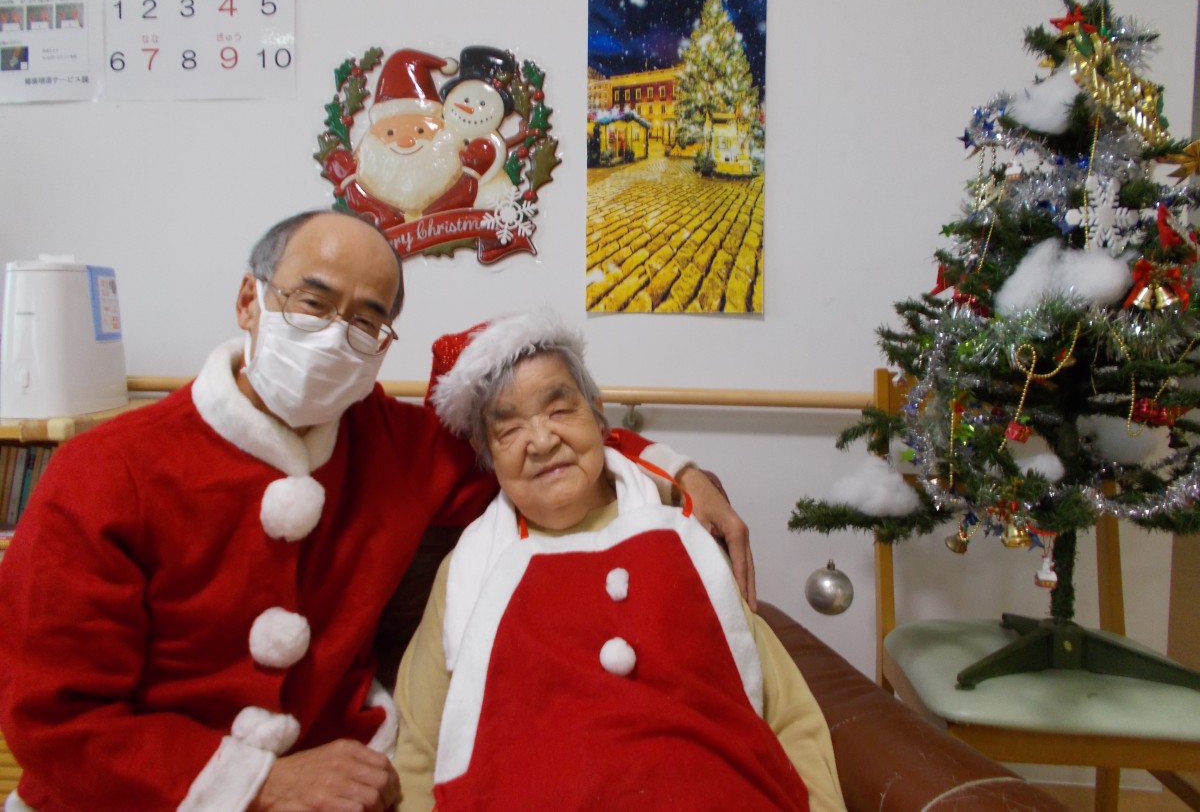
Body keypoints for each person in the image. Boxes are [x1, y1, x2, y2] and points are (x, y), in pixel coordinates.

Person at [0, 210, 754, 812]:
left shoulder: (394, 444)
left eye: (366, 321)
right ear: (249, 302)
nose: (336, 336)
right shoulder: (104, 471)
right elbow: (55, 721)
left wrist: (679, 470)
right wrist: (263, 783)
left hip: (354, 775)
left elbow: (539, 441)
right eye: (313, 303)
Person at [392, 310, 845, 811]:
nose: (541, 441)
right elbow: (420, 752)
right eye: (510, 429)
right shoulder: (468, 572)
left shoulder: (685, 535)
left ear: (598, 415)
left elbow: (790, 717)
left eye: (559, 411)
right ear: (485, 451)